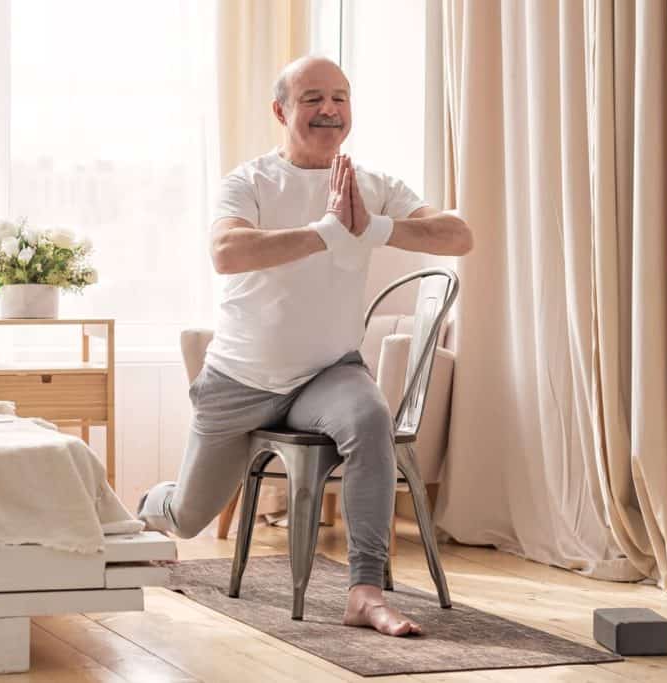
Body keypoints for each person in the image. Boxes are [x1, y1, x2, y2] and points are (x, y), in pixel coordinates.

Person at [138, 55, 473, 637]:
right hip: (240, 378)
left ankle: (364, 592)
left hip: (327, 373)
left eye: (340, 97)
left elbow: (458, 234)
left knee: (371, 418)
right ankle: (145, 506)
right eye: (313, 97)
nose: (329, 110)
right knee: (189, 516)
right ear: (281, 110)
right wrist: (326, 234)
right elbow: (227, 253)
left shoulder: (372, 186)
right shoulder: (250, 182)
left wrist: (378, 228)